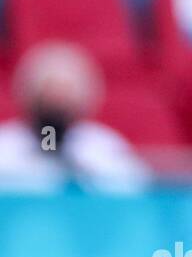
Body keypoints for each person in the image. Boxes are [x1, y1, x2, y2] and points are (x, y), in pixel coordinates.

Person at [0, 41, 149, 195]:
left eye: (65, 92)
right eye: (48, 90)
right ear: (29, 94)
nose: (56, 100)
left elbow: (134, 194)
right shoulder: (5, 146)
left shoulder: (104, 147)